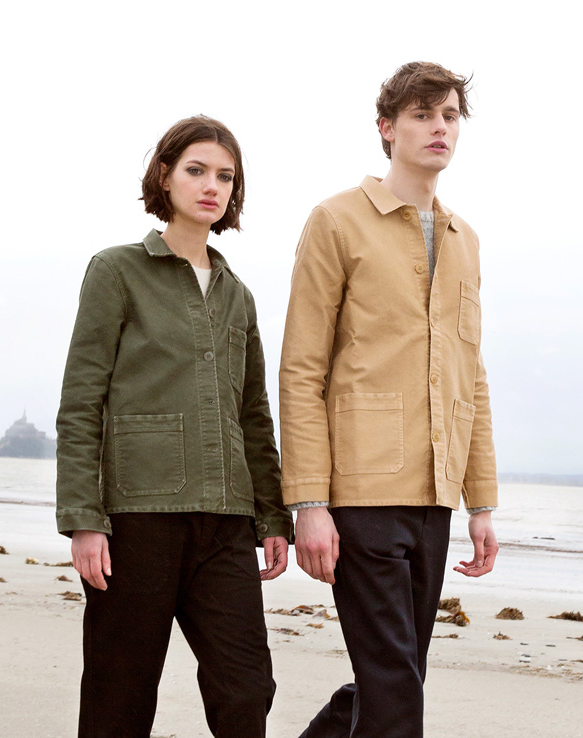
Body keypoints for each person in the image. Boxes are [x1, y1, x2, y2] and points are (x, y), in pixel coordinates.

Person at [279, 62, 500, 738]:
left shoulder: (465, 241)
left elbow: (471, 375)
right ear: (387, 127)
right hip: (360, 492)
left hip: (434, 496)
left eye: (450, 115)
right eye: (422, 115)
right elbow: (302, 368)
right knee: (396, 684)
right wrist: (308, 503)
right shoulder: (337, 220)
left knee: (395, 677)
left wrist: (481, 502)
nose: (439, 128)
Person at [55, 115, 293, 738]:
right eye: (196, 170)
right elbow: (81, 402)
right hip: (138, 520)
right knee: (120, 694)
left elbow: (253, 414)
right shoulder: (116, 271)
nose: (212, 186)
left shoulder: (239, 295)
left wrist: (272, 517)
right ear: (164, 175)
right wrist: (83, 519)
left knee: (246, 689)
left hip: (227, 522)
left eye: (225, 177)